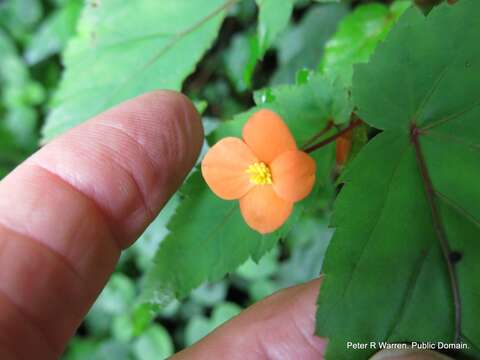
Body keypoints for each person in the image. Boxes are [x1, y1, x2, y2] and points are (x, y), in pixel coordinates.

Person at [0, 91, 449, 360]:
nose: (256, 173)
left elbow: (288, 164)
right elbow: (249, 184)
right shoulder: (257, 179)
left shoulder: (285, 166)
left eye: (258, 172)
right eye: (257, 172)